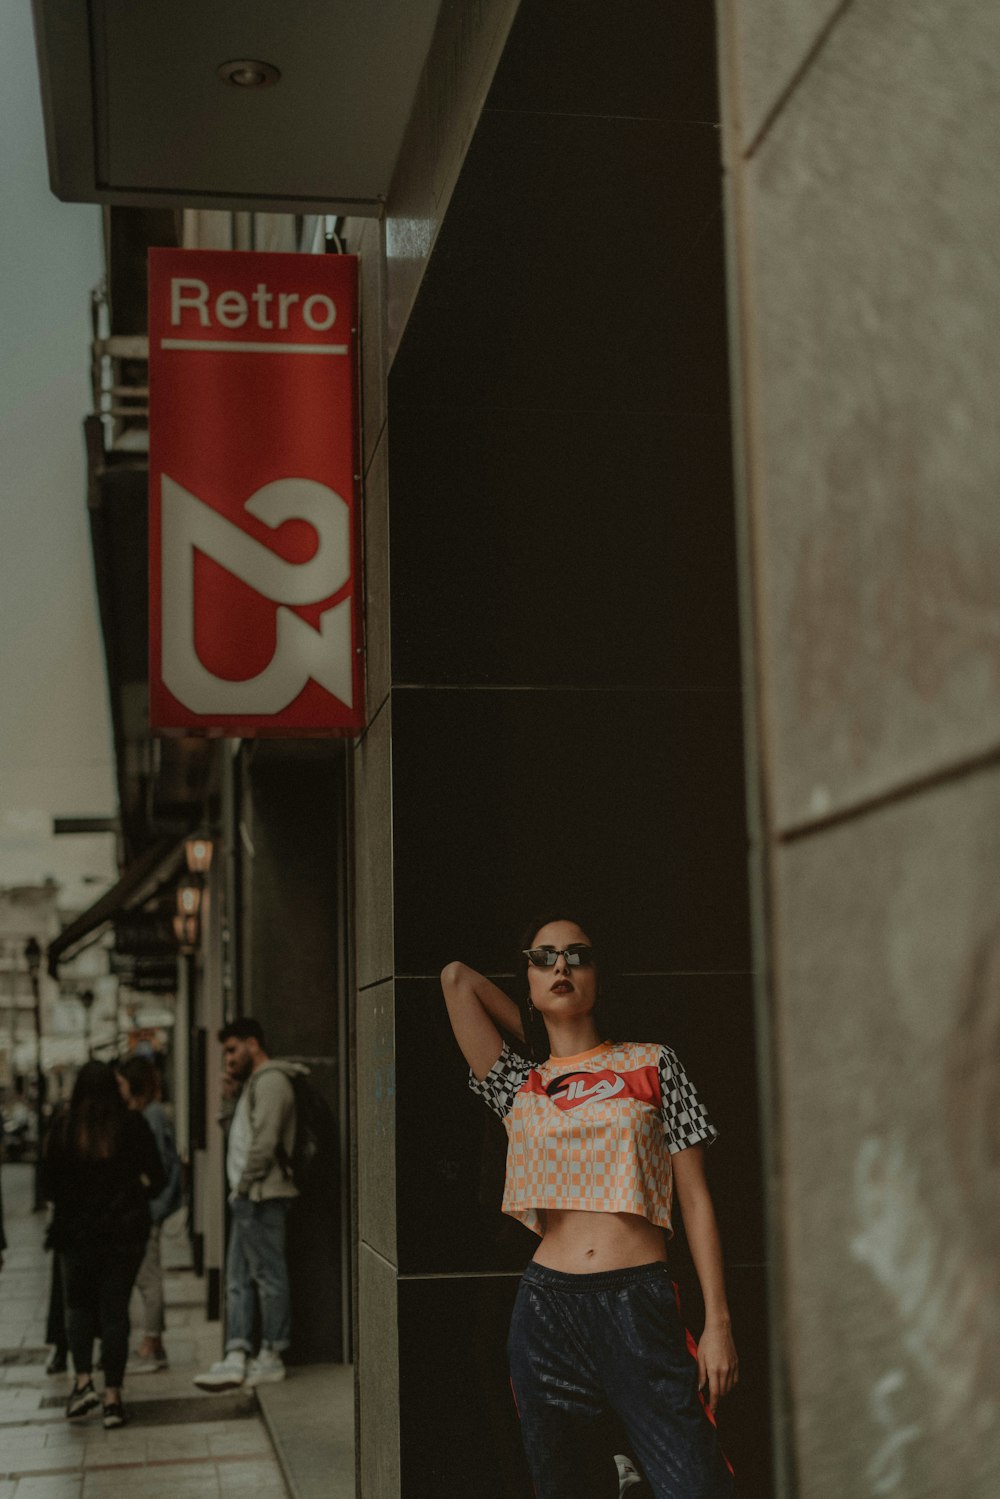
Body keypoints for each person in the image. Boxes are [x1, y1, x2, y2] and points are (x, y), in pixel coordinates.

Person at [441, 916, 738, 1499]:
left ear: (601, 977)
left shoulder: (653, 1063)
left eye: (578, 957)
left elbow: (697, 1200)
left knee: (697, 1486)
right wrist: (535, 1025)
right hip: (546, 1314)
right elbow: (456, 981)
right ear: (526, 978)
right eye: (544, 958)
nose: (561, 967)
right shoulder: (521, 1084)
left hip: (640, 1304)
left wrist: (718, 1321)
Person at [44, 1060, 165, 1430]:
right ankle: (113, 1398)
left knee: (77, 1307)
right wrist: (132, 1196)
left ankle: (83, 1384)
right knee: (115, 1313)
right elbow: (158, 1177)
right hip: (122, 1234)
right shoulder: (132, 1125)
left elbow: (48, 1185)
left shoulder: (63, 1127)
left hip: (75, 1234)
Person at [194, 1018, 304, 1392]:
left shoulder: (272, 1081)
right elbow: (237, 1137)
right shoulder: (253, 1084)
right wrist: (228, 1097)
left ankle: (272, 1353)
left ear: (253, 1044)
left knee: (268, 1277)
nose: (228, 1059)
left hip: (262, 1196)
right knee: (239, 1279)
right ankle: (237, 1352)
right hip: (248, 1196)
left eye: (232, 1049)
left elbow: (264, 1142)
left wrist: (242, 1187)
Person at [117, 1056, 183, 1372]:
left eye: (122, 1082)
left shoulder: (152, 1116)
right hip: (152, 1208)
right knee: (148, 1276)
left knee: (148, 1277)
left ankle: (152, 1343)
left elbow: (160, 1166)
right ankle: (154, 1342)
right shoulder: (152, 1113)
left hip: (150, 1210)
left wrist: (154, 1207)